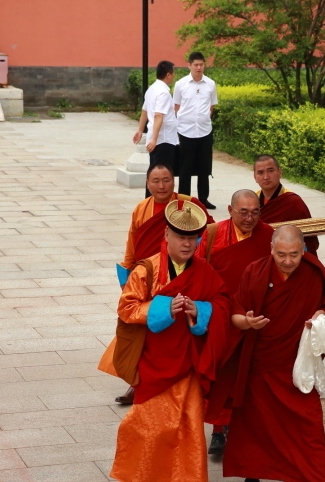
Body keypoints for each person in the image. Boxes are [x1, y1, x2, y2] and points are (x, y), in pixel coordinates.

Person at [207, 226, 325, 482]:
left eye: (295, 255)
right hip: (259, 363)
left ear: (304, 250)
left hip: (297, 365)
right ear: (271, 249)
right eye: (281, 254)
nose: (288, 261)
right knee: (255, 426)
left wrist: (322, 315)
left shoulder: (314, 273)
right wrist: (246, 323)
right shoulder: (255, 272)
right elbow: (234, 313)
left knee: (310, 426)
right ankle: (252, 479)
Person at [107, 199, 230, 482]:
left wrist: (199, 311)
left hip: (188, 361)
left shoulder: (204, 271)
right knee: (148, 424)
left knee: (183, 426)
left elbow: (222, 303)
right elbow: (126, 308)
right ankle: (142, 480)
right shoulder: (147, 269)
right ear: (166, 235)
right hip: (154, 359)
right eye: (180, 237)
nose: (187, 243)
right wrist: (162, 308)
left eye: (193, 238)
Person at [102, 163, 213, 405]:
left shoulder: (188, 205)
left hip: (180, 273)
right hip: (149, 276)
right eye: (155, 180)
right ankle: (136, 382)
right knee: (141, 333)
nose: (161, 185)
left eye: (166, 180)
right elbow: (133, 243)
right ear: (147, 183)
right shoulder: (142, 208)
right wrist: (128, 275)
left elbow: (205, 235)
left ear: (174, 181)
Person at [196, 190, 275, 455]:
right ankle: (218, 430)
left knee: (247, 377)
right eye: (243, 212)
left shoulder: (268, 236)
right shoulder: (213, 234)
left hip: (256, 316)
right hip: (222, 317)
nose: (250, 218)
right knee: (221, 374)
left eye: (255, 212)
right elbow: (198, 271)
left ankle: (238, 427)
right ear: (230, 210)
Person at [174, 52, 218, 210]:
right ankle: (184, 200)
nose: (199, 67)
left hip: (205, 131)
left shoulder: (210, 84)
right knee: (185, 167)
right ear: (189, 65)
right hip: (185, 131)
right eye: (196, 65)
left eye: (201, 64)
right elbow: (176, 106)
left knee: (204, 167)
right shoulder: (181, 84)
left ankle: (203, 199)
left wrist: (204, 118)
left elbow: (212, 105)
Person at [253, 154, 319, 255]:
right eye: (260, 173)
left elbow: (308, 240)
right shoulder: (252, 201)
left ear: (280, 172)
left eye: (270, 171)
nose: (266, 177)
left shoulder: (293, 202)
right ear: (255, 177)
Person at [133, 61, 179, 200]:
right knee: (162, 176)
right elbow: (158, 116)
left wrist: (140, 130)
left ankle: (150, 202)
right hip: (163, 140)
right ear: (168, 74)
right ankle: (158, 203)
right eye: (173, 73)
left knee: (153, 173)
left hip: (157, 139)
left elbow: (144, 111)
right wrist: (154, 139)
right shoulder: (163, 92)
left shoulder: (152, 89)